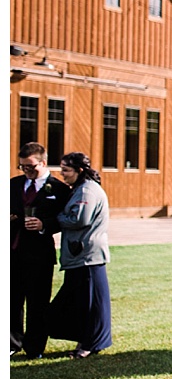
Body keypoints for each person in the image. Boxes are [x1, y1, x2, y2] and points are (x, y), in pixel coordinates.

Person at [46, 152, 112, 359]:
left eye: (66, 170)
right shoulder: (82, 189)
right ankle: (88, 341)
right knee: (84, 303)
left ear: (79, 171)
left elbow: (79, 219)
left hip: (87, 256)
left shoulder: (87, 192)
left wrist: (56, 216)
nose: (62, 174)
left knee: (90, 304)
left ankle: (90, 344)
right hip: (83, 255)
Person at [11, 143, 71, 359]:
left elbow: (65, 220)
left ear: (43, 163)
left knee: (38, 302)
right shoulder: (13, 185)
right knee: (12, 300)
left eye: (30, 166)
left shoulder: (59, 189)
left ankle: (34, 347)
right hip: (13, 252)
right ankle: (12, 343)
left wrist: (44, 225)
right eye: (22, 166)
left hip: (40, 255)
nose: (26, 170)